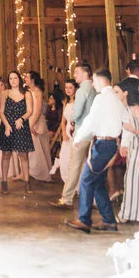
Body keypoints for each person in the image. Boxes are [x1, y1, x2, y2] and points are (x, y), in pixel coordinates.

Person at [66, 69, 129, 234]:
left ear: (101, 81)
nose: (93, 84)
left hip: (102, 144)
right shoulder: (116, 98)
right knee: (98, 183)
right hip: (111, 144)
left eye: (94, 81)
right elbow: (126, 120)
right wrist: (124, 142)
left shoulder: (101, 98)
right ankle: (109, 221)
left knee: (86, 180)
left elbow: (90, 121)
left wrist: (78, 138)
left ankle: (84, 220)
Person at [51, 60, 96, 210]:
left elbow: (77, 112)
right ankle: (94, 199)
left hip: (81, 131)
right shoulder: (94, 89)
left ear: (85, 73)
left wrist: (72, 120)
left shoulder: (82, 90)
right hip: (92, 132)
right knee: (90, 166)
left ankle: (67, 198)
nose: (74, 75)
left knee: (74, 166)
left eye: (77, 72)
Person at [116, 78, 139, 224]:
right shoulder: (128, 109)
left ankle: (127, 213)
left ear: (126, 93)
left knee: (134, 179)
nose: (116, 95)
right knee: (132, 179)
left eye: (117, 92)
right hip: (135, 146)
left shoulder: (136, 109)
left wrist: (133, 130)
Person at [0, 69, 34, 194]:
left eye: (15, 78)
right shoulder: (5, 93)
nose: (13, 81)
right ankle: (4, 182)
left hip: (21, 126)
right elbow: (1, 111)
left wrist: (22, 119)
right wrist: (7, 125)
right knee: (6, 154)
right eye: (11, 78)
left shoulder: (26, 93)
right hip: (7, 126)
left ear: (19, 79)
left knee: (23, 154)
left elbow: (30, 111)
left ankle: (27, 182)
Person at [24, 70, 52, 181]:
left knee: (37, 147)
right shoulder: (26, 92)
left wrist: (31, 125)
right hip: (27, 119)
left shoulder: (38, 92)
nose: (25, 79)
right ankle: (28, 171)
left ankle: (40, 172)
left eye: (27, 77)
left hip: (36, 121)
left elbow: (38, 110)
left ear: (32, 80)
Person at [51, 78, 77, 182]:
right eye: (66, 88)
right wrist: (64, 134)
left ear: (75, 89)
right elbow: (63, 121)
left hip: (75, 130)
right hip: (67, 131)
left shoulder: (78, 101)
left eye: (70, 87)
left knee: (75, 157)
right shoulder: (65, 102)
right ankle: (68, 180)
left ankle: (77, 182)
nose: (68, 90)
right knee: (65, 158)